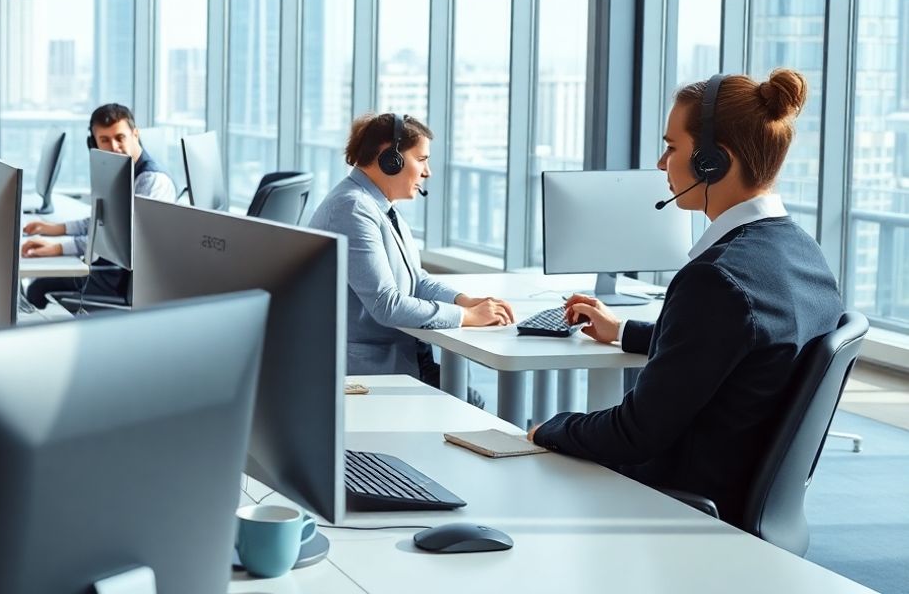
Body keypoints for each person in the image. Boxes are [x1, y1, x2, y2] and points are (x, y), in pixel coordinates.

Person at [529, 69, 843, 524]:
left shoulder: (716, 280)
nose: (661, 163)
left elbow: (633, 434)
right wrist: (625, 332)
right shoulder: (800, 253)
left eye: (672, 147)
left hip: (680, 507)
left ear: (713, 161)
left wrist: (549, 429)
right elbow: (739, 343)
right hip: (741, 499)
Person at [309, 113, 514, 400]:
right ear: (388, 158)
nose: (427, 171)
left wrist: (463, 301)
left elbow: (416, 278)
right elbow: (386, 304)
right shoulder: (352, 210)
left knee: (469, 397)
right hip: (368, 370)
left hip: (403, 354)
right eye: (421, 159)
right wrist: (465, 316)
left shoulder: (379, 206)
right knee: (467, 400)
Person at [21, 103, 176, 307]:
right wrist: (56, 229)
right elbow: (103, 221)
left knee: (37, 288)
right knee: (36, 281)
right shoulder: (120, 171)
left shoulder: (151, 181)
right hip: (111, 269)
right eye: (104, 140)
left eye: (120, 137)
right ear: (94, 144)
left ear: (135, 135)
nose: (114, 147)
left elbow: (123, 243)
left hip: (122, 280)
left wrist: (58, 247)